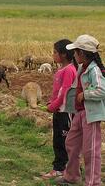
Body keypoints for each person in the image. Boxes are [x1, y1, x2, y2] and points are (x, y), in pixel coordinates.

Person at [55, 34, 105, 186]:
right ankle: (72, 176)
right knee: (71, 142)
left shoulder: (94, 71)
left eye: (76, 52)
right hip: (80, 113)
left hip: (91, 115)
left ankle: (93, 182)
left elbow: (101, 90)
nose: (74, 55)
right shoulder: (82, 68)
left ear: (82, 53)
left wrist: (85, 95)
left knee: (91, 150)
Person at [41, 39, 77, 179]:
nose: (53, 54)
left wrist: (53, 106)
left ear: (63, 54)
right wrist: (52, 102)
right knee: (58, 140)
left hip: (64, 111)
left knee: (63, 141)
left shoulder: (68, 70)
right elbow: (59, 91)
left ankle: (61, 169)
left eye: (55, 52)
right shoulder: (62, 69)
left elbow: (65, 93)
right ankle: (64, 168)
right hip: (59, 110)